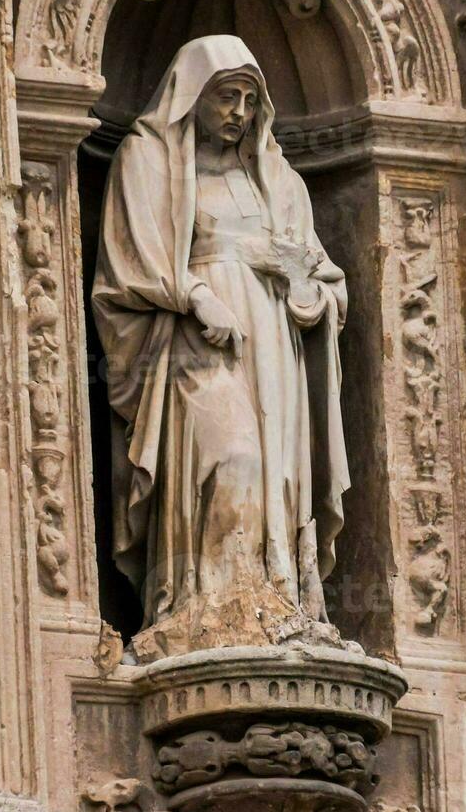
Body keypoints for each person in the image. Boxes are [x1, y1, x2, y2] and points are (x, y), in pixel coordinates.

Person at [93, 35, 349, 660]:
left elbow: (325, 280)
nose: (238, 111)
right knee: (230, 458)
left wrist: (303, 292)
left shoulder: (280, 180)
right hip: (191, 343)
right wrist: (195, 294)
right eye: (224, 96)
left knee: (277, 478)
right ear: (191, 98)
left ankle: (274, 603)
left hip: (272, 346)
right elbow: (128, 260)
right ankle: (196, 607)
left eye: (248, 99)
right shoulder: (146, 158)